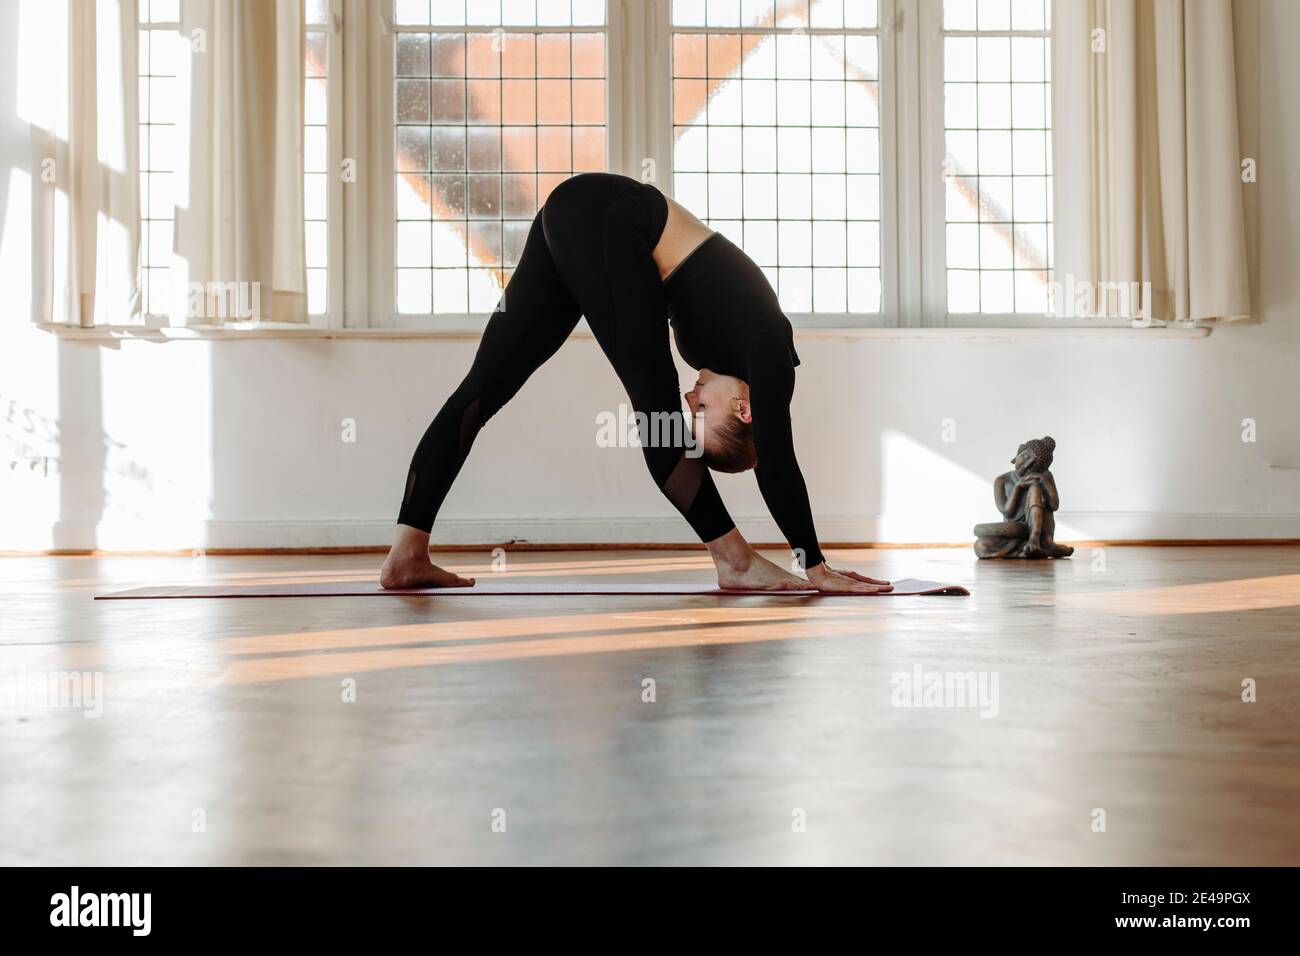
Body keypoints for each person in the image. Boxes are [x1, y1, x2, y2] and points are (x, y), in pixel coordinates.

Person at [379, 172, 890, 594]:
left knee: (482, 389)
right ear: (744, 410)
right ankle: (733, 560)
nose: (692, 400)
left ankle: (406, 554)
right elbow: (777, 460)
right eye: (702, 414)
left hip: (578, 215)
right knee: (657, 411)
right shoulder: (770, 358)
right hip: (608, 215)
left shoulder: (719, 362)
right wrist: (815, 565)